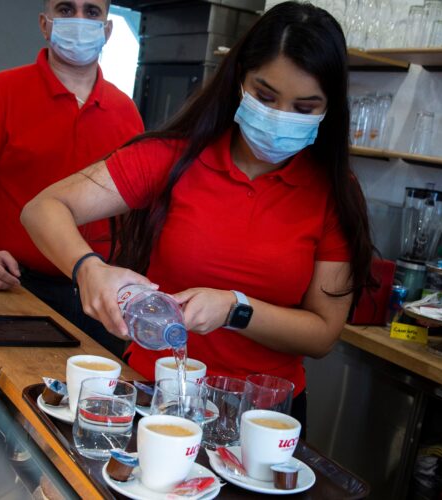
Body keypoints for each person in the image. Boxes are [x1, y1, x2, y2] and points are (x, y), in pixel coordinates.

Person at [21, 1, 376, 429]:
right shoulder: (173, 157)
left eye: (304, 108)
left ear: (330, 108)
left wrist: (235, 309)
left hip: (262, 418)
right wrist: (88, 269)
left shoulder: (335, 192)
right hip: (154, 395)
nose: (280, 116)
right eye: (265, 96)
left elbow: (322, 334)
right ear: (240, 80)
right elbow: (42, 208)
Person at [0, 0, 144, 356]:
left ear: (107, 30)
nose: (79, 20)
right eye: (65, 9)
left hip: (99, 294)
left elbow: (136, 209)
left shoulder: (126, 112)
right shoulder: (0, 92)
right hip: (13, 285)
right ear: (45, 24)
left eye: (91, 12)